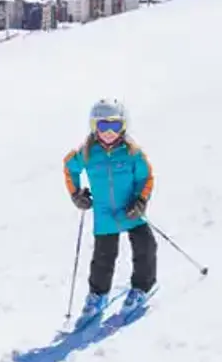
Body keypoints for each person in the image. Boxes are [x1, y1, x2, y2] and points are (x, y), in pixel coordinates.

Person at [63, 99, 156, 325]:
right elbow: (69, 167)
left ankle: (141, 287)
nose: (108, 133)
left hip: (130, 210)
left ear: (123, 127)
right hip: (104, 215)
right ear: (94, 127)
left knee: (145, 246)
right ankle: (97, 295)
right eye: (102, 127)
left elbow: (146, 177)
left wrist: (141, 201)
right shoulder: (86, 153)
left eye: (114, 126)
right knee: (103, 257)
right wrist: (77, 194)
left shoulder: (132, 153)